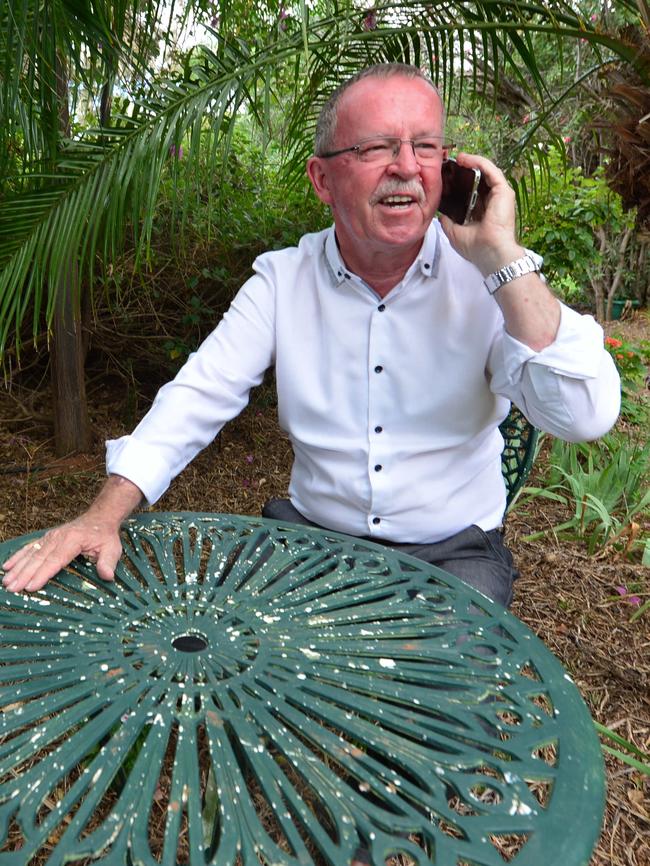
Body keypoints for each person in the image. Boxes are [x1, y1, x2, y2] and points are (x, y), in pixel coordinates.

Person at [2, 63, 620, 606]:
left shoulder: (491, 279)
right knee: (251, 690)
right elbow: (196, 396)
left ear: (450, 170)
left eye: (426, 146)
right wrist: (101, 514)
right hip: (312, 540)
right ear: (322, 179)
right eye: (376, 147)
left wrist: (501, 257)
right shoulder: (282, 281)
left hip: (453, 551)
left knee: (438, 718)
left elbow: (585, 414)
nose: (406, 167)